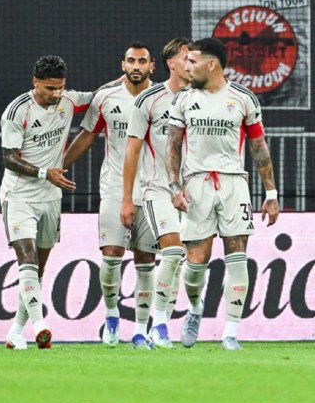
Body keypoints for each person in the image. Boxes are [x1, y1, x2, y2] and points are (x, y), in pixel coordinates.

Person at [167, 38, 280, 350]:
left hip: (233, 184)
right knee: (195, 262)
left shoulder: (243, 99)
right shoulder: (183, 100)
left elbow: (258, 146)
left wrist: (271, 192)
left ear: (211, 64)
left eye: (191, 62)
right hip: (196, 184)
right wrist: (174, 188)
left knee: (237, 253)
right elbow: (173, 146)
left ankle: (230, 332)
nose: (186, 67)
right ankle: (195, 308)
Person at [63, 44, 156, 348]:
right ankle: (112, 317)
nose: (136, 65)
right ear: (123, 64)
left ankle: (142, 327)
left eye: (142, 61)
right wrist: (60, 166)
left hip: (154, 188)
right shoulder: (106, 97)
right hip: (115, 187)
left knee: (146, 258)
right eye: (131, 60)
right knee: (111, 254)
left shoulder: (164, 98)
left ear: (152, 66)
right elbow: (87, 135)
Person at [0, 55, 93, 350]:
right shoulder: (17, 111)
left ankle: (16, 331)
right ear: (35, 82)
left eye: (60, 88)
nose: (56, 94)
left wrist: (126, 78)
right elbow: (9, 157)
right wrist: (44, 173)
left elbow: (100, 95)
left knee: (37, 269)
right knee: (26, 259)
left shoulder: (68, 101)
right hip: (19, 196)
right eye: (50, 88)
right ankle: (40, 324)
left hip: (51, 198)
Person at [119, 38, 191, 348]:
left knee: (179, 262)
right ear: (172, 63)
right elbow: (132, 151)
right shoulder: (149, 100)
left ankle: (153, 326)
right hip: (156, 190)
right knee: (170, 253)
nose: (194, 64)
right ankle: (158, 325)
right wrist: (126, 198)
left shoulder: (201, 98)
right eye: (188, 59)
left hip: (192, 192)